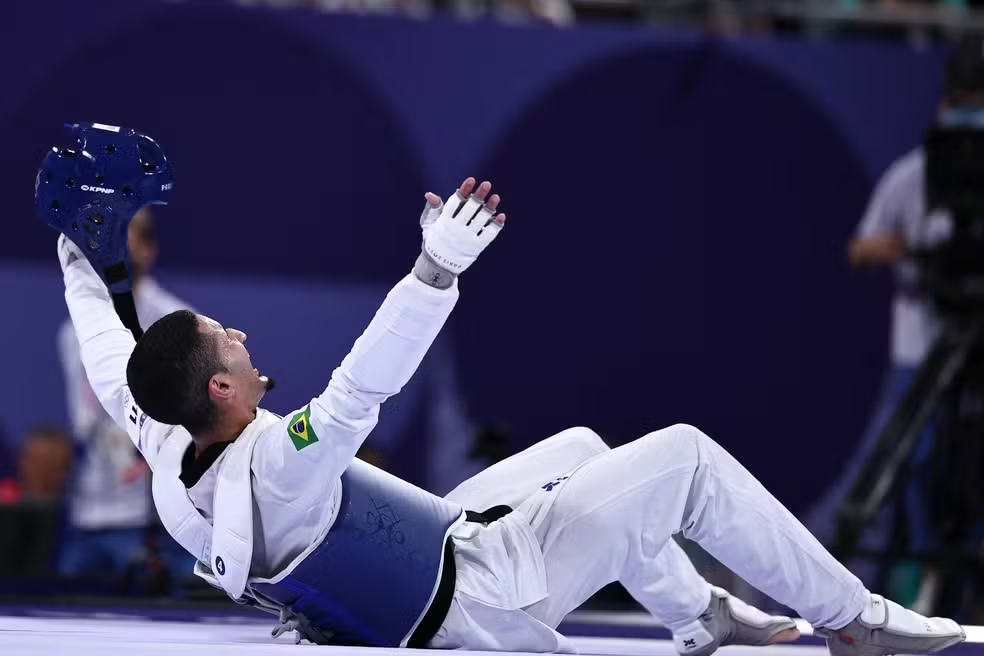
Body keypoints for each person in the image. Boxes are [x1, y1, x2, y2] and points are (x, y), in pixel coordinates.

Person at [58, 162, 964, 655]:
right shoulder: (280, 468)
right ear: (219, 388)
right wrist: (434, 271)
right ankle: (856, 622)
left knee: (580, 446)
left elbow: (107, 347)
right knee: (682, 457)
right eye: (229, 339)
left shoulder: (169, 438)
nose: (243, 334)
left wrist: (76, 242)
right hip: (481, 599)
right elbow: (356, 394)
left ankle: (701, 615)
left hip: (431, 555)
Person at [805, 33, 984, 610]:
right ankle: (867, 606)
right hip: (920, 360)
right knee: (907, 490)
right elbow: (860, 248)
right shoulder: (916, 173)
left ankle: (960, 605)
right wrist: (909, 245)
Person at [56, 207, 194, 579]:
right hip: (84, 517)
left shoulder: (179, 325)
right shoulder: (74, 332)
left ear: (148, 248)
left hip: (151, 523)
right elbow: (85, 421)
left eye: (124, 237)